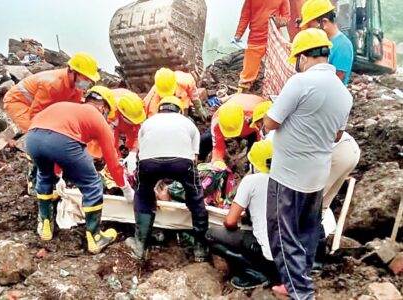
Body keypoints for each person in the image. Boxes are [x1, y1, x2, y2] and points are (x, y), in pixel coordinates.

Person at [263, 28, 352, 299]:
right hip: (317, 175)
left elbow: (270, 122)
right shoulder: (343, 92)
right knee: (306, 233)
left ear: (303, 57)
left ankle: (300, 293)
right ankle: (297, 280)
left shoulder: (300, 83)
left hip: (288, 175)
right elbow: (337, 135)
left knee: (283, 235)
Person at [25, 93, 134, 254]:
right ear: (102, 107)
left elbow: (51, 139)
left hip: (33, 138)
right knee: (92, 184)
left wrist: (58, 175)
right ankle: (95, 237)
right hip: (62, 141)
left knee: (45, 176)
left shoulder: (65, 106)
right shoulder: (96, 117)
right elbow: (112, 160)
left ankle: (45, 223)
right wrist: (125, 188)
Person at [3, 52, 101, 193]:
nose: (86, 82)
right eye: (84, 77)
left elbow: (70, 114)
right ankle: (35, 180)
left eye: (88, 79)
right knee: (39, 137)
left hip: (43, 109)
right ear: (72, 72)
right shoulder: (52, 84)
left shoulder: (76, 89)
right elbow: (36, 116)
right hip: (19, 103)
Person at [126, 96, 209, 262]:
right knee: (195, 196)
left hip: (149, 164)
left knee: (143, 195)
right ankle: (200, 247)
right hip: (182, 162)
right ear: (179, 110)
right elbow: (194, 158)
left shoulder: (148, 122)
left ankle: (140, 245)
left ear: (160, 109)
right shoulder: (188, 123)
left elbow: (143, 152)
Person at [206, 140, 280, 290]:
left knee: (211, 234)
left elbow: (230, 221)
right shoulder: (293, 180)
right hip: (292, 258)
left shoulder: (252, 181)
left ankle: (254, 272)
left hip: (267, 256)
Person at [234, 0, 290, 93]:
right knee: (247, 76)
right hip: (255, 40)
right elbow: (245, 16)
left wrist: (276, 21)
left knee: (278, 70)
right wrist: (238, 34)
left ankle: (277, 94)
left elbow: (286, 19)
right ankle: (242, 94)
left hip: (274, 39)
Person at [198, 93, 264, 165]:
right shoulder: (216, 120)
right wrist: (218, 161)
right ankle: (198, 160)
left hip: (252, 126)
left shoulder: (256, 117)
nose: (231, 137)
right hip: (242, 116)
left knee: (253, 154)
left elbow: (261, 142)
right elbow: (218, 147)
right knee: (206, 139)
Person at [299, 0, 354, 85]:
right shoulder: (319, 42)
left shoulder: (343, 46)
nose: (309, 30)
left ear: (324, 22)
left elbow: (335, 83)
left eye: (310, 26)